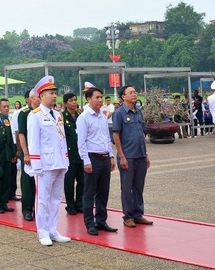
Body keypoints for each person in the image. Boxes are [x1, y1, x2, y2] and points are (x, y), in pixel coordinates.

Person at [26, 75, 70, 246]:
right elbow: (33, 142)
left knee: (56, 198)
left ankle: (53, 229)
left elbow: (62, 140)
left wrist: (66, 161)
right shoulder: (35, 115)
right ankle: (42, 231)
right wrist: (36, 165)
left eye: (55, 92)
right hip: (45, 164)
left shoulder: (58, 115)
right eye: (50, 93)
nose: (54, 95)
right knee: (43, 199)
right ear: (41, 96)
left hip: (59, 162)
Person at [77, 87, 117, 235]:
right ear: (88, 99)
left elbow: (106, 138)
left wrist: (111, 156)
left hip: (104, 157)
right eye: (97, 97)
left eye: (101, 97)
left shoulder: (102, 116)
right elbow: (81, 142)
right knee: (89, 192)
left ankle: (101, 220)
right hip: (92, 158)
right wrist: (86, 161)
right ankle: (89, 223)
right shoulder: (84, 117)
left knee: (103, 192)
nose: (100, 100)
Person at [112, 85, 152, 228]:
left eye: (135, 92)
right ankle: (128, 216)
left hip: (140, 155)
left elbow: (141, 135)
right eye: (131, 93)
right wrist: (121, 157)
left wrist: (146, 155)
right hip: (127, 156)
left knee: (138, 187)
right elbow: (116, 136)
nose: (134, 94)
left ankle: (138, 214)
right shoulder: (119, 113)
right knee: (127, 187)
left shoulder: (138, 113)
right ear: (123, 96)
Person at [17, 89, 38, 222]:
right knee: (27, 182)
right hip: (29, 154)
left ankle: (38, 208)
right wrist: (25, 154)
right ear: (30, 99)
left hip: (41, 153)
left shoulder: (43, 113)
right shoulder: (24, 114)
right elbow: (21, 134)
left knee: (40, 183)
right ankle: (27, 209)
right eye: (37, 97)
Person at [62, 93, 83, 215]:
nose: (74, 102)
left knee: (82, 181)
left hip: (80, 154)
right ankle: (70, 205)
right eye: (71, 101)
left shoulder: (80, 116)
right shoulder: (62, 117)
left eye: (75, 100)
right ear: (65, 103)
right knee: (69, 182)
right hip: (69, 155)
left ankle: (80, 204)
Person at [0, 98, 18, 203]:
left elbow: (16, 132)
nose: (7, 108)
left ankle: (12, 192)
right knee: (4, 173)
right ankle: (4, 195)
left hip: (13, 145)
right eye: (4, 107)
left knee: (13, 171)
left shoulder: (12, 118)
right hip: (3, 148)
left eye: (8, 106)